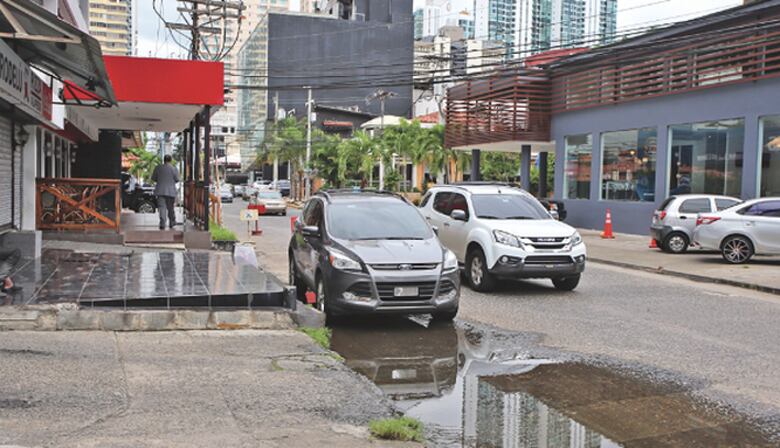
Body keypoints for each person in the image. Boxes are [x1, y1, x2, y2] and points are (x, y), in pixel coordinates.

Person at [151, 154, 180, 230]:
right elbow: (177, 179)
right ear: (170, 160)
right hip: (171, 191)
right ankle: (172, 222)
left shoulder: (158, 168)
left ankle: (162, 223)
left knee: (162, 207)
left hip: (160, 191)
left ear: (164, 160)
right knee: (170, 208)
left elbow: (153, 178)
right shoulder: (174, 169)